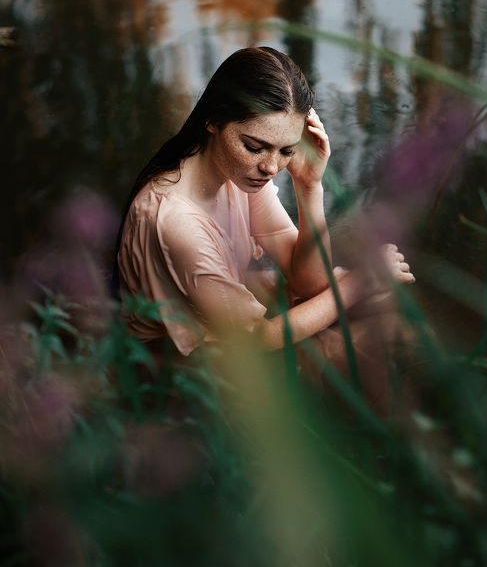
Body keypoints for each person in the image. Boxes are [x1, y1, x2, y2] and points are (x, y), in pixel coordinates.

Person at [115, 46, 415, 405]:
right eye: (255, 146)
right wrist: (356, 283)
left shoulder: (239, 173)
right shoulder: (176, 221)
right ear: (212, 120)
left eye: (286, 151)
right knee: (356, 336)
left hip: (226, 309)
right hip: (178, 357)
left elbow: (310, 280)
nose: (271, 167)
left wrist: (309, 187)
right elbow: (259, 337)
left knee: (376, 297)